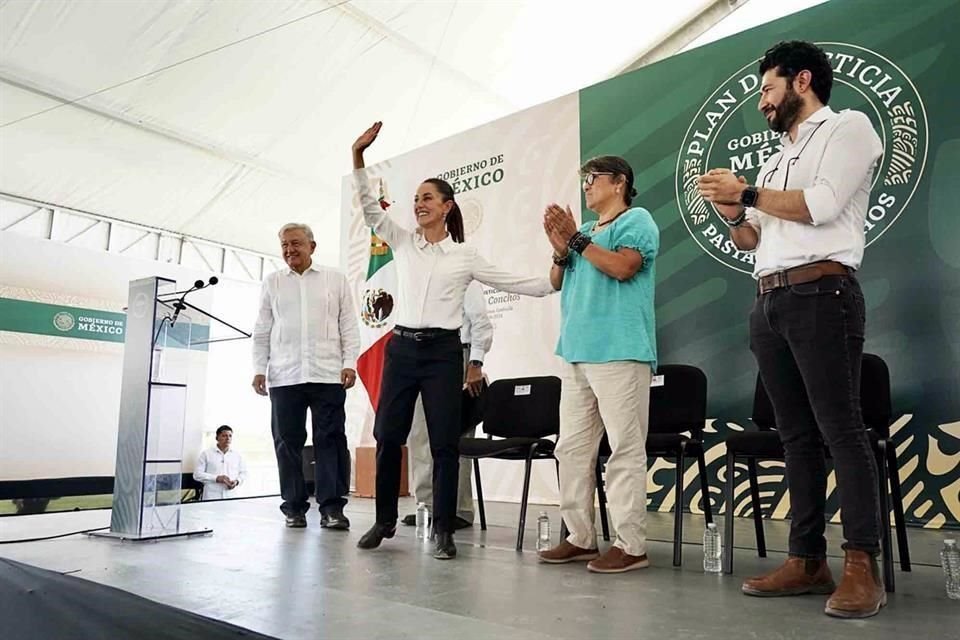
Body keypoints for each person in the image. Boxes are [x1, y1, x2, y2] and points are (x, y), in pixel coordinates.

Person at [698, 41, 885, 618]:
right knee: (796, 437)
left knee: (841, 430)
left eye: (768, 89)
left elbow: (823, 205)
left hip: (822, 292)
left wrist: (747, 194)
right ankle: (807, 560)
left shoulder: (848, 127)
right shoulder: (778, 155)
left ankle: (862, 565)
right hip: (770, 302)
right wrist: (732, 211)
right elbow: (751, 238)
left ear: (802, 79)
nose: (761, 102)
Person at [351, 121, 555, 560]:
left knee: (445, 443)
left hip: (444, 353)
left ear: (447, 207)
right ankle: (384, 521)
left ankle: (444, 530)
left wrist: (555, 276)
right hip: (401, 350)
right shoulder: (403, 242)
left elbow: (517, 281)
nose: (419, 204)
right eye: (416, 199)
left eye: (427, 198)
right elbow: (369, 209)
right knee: (389, 436)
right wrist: (359, 158)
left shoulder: (464, 255)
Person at [536, 156, 659, 574]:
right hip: (576, 352)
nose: (586, 186)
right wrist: (560, 250)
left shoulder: (636, 219)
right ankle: (580, 537)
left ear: (619, 182)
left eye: (593, 179)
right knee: (570, 448)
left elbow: (624, 267)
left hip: (621, 350)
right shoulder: (583, 233)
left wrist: (575, 242)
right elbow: (557, 282)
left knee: (624, 449)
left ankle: (631, 545)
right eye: (584, 180)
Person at [252, 223, 360, 531]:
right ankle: (294, 507)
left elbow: (349, 326)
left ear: (312, 246)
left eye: (296, 243)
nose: (290, 250)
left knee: (331, 441)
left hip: (327, 373)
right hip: (285, 375)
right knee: (287, 443)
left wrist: (349, 362)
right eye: (284, 245)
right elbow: (261, 330)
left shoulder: (335, 280)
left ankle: (332, 508)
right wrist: (259, 368)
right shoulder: (272, 283)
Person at [403, 280, 492, 530]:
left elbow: (481, 321)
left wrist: (475, 363)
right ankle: (427, 506)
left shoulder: (462, 273)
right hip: (419, 353)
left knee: (455, 435)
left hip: (455, 353)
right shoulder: (419, 274)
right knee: (420, 434)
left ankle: (458, 508)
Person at [193, 425, 248, 500]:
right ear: (217, 438)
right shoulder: (206, 454)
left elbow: (244, 473)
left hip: (231, 497)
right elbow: (197, 474)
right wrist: (216, 478)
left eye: (230, 436)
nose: (228, 438)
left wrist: (237, 481)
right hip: (211, 497)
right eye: (224, 436)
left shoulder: (237, 455)